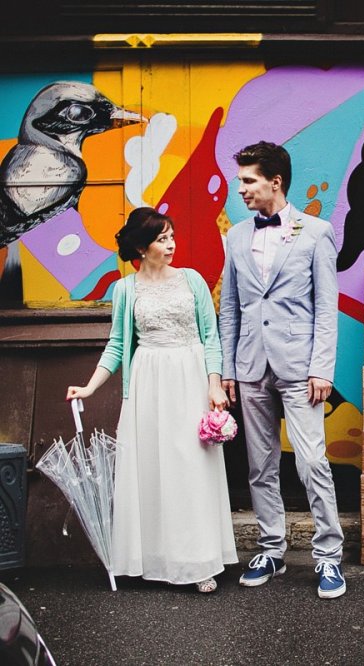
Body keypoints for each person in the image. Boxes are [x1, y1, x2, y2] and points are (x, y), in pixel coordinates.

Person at [66, 207, 238, 594]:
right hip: (148, 383)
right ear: (142, 248)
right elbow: (117, 345)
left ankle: (198, 560)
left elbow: (210, 338)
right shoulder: (125, 289)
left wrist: (214, 385)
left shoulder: (192, 281)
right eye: (162, 239)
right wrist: (89, 387)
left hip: (190, 379)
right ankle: (155, 557)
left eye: (172, 236)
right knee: (153, 470)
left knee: (191, 468)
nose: (172, 244)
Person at [218, 141, 346, 599]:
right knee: (260, 465)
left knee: (311, 462)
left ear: (275, 182)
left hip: (300, 367)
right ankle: (271, 549)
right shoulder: (235, 236)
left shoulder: (316, 232)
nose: (241, 189)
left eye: (248, 180)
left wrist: (321, 368)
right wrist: (229, 368)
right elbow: (230, 308)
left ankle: (328, 555)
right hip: (251, 366)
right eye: (240, 180)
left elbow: (326, 307)